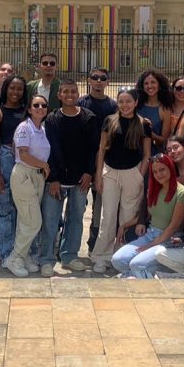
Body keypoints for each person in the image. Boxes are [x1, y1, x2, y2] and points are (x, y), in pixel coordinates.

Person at [41, 79, 99, 275]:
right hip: (56, 180)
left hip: (80, 180)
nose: (69, 95)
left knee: (75, 218)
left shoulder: (89, 118)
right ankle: (47, 258)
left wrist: (89, 172)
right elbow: (51, 149)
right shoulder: (51, 119)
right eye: (65, 92)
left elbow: (93, 149)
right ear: (59, 95)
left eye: (73, 92)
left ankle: (69, 255)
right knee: (50, 219)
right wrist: (54, 178)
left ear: (78, 94)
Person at [92, 87, 151, 274]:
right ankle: (101, 257)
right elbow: (102, 149)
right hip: (110, 172)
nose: (125, 105)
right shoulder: (109, 121)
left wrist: (140, 174)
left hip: (132, 173)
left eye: (128, 101)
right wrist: (99, 174)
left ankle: (121, 256)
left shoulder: (143, 124)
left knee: (127, 216)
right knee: (108, 216)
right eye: (121, 101)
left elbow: (147, 153)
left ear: (135, 103)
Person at [112, 153, 184, 278]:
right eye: (155, 171)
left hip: (169, 239)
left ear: (170, 167)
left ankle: (140, 278)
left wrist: (151, 245)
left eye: (162, 169)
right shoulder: (154, 190)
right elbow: (150, 216)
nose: (159, 174)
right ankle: (137, 277)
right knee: (117, 260)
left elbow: (174, 226)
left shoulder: (182, 193)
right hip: (150, 234)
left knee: (137, 264)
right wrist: (124, 225)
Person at [6, 94, 52, 277]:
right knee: (34, 221)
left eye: (43, 105)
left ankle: (23, 256)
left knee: (25, 220)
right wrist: (44, 165)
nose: (40, 108)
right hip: (24, 174)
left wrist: (42, 168)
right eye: (36, 105)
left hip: (37, 177)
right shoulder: (24, 128)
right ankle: (15, 258)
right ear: (30, 108)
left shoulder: (43, 128)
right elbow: (23, 154)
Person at [0, 75, 29, 266]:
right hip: (5, 160)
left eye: (19, 89)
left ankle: (20, 250)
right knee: (4, 209)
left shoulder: (27, 112)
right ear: (5, 89)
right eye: (12, 88)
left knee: (23, 209)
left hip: (24, 162)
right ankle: (4, 251)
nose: (15, 92)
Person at [79, 66, 118, 252]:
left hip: (104, 161)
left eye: (103, 78)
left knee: (100, 206)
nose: (99, 81)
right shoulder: (80, 103)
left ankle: (94, 244)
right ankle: (65, 246)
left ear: (108, 82)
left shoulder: (113, 106)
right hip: (82, 160)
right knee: (77, 206)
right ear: (89, 80)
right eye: (95, 77)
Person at [136, 69, 174, 152]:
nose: (149, 86)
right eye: (146, 83)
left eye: (153, 82)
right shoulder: (136, 104)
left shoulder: (165, 109)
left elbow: (164, 140)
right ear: (142, 87)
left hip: (152, 153)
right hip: (132, 151)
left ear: (159, 85)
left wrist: (148, 132)